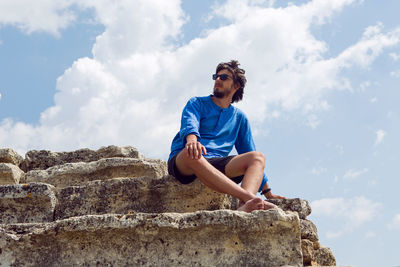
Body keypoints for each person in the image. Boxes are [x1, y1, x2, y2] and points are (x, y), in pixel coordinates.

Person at [168, 60, 285, 212]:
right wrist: (192, 140)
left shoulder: (239, 118)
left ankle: (244, 208)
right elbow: (189, 123)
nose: (218, 79)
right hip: (186, 160)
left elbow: (248, 151)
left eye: (224, 77)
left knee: (257, 157)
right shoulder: (197, 103)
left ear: (236, 86)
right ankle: (249, 198)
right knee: (193, 153)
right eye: (216, 76)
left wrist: (267, 192)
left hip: (216, 163)